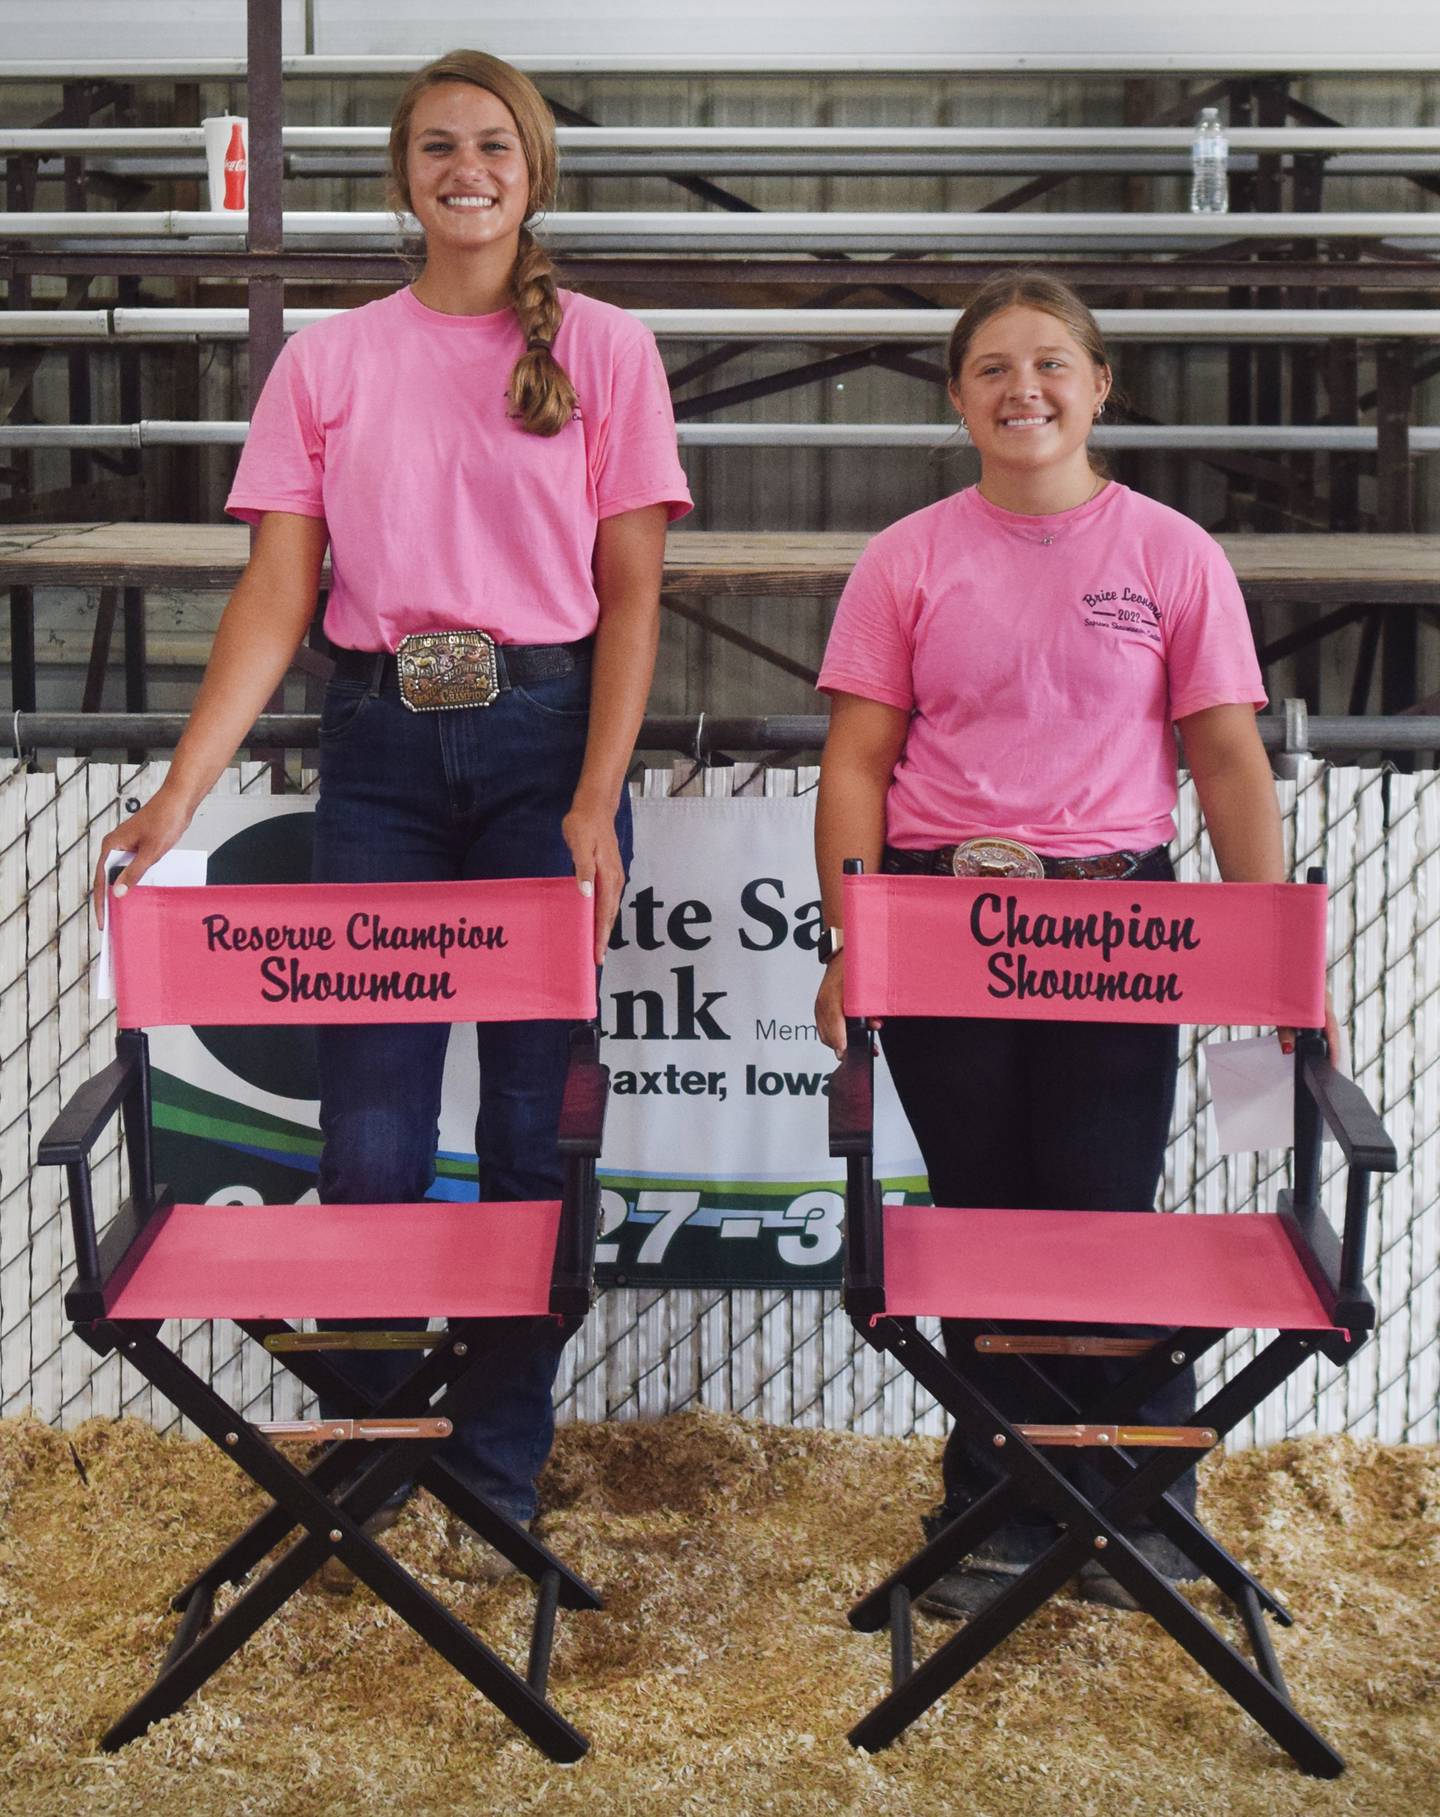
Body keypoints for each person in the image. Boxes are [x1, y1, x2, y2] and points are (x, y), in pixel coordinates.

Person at [95, 49, 692, 1566]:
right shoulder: (329, 360)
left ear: (532, 166)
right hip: (375, 747)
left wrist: (598, 800)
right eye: (437, 146)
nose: (465, 168)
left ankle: (493, 1466)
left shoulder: (610, 351)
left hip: (542, 744)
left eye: (492, 144)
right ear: (401, 173)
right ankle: (365, 1457)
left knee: (521, 1131)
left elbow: (632, 599)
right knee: (366, 1130)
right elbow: (278, 592)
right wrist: (179, 793)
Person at [812, 270, 1334, 1616]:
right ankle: (991, 1498)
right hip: (943, 921)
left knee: (1102, 1212)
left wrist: (1263, 953)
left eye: (1052, 363)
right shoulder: (906, 557)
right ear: (956, 396)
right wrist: (854, 936)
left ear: (1101, 387)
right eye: (992, 367)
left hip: (1116, 924)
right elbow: (857, 764)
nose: (1023, 388)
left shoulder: (1172, 553)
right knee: (983, 1213)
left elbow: (1224, 759)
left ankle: (1137, 1498)